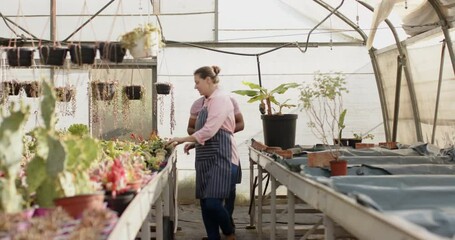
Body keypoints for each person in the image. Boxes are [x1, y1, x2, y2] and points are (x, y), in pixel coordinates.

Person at [168, 66, 238, 240]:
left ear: (208, 80)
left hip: (222, 157)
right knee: (206, 204)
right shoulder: (207, 101)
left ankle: (229, 232)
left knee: (214, 203)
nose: (195, 87)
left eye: (197, 82)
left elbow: (210, 130)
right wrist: (193, 144)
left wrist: (184, 139)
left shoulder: (221, 99)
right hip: (206, 156)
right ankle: (213, 237)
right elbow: (205, 132)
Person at [187, 95, 244, 233]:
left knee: (229, 191)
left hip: (226, 151)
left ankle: (227, 219)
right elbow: (190, 128)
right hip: (205, 152)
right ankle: (215, 232)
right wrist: (204, 135)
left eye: (198, 82)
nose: (197, 86)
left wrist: (221, 132)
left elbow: (241, 124)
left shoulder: (229, 101)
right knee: (207, 197)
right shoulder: (197, 104)